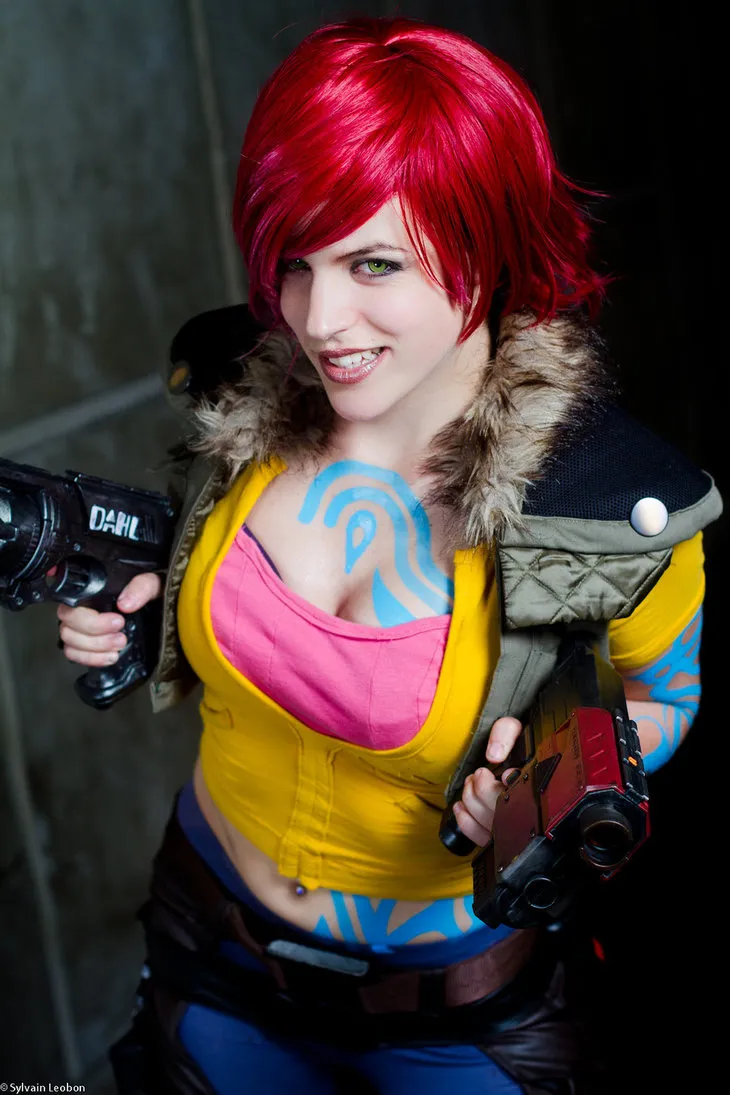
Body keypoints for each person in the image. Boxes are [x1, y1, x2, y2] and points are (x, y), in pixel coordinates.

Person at [56, 16, 720, 1095]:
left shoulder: (611, 509)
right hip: (210, 948)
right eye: (295, 262)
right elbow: (200, 589)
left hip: (452, 1014)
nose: (319, 319)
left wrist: (551, 782)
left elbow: (666, 694)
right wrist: (138, 618)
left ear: (486, 251)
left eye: (374, 263)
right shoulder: (239, 400)